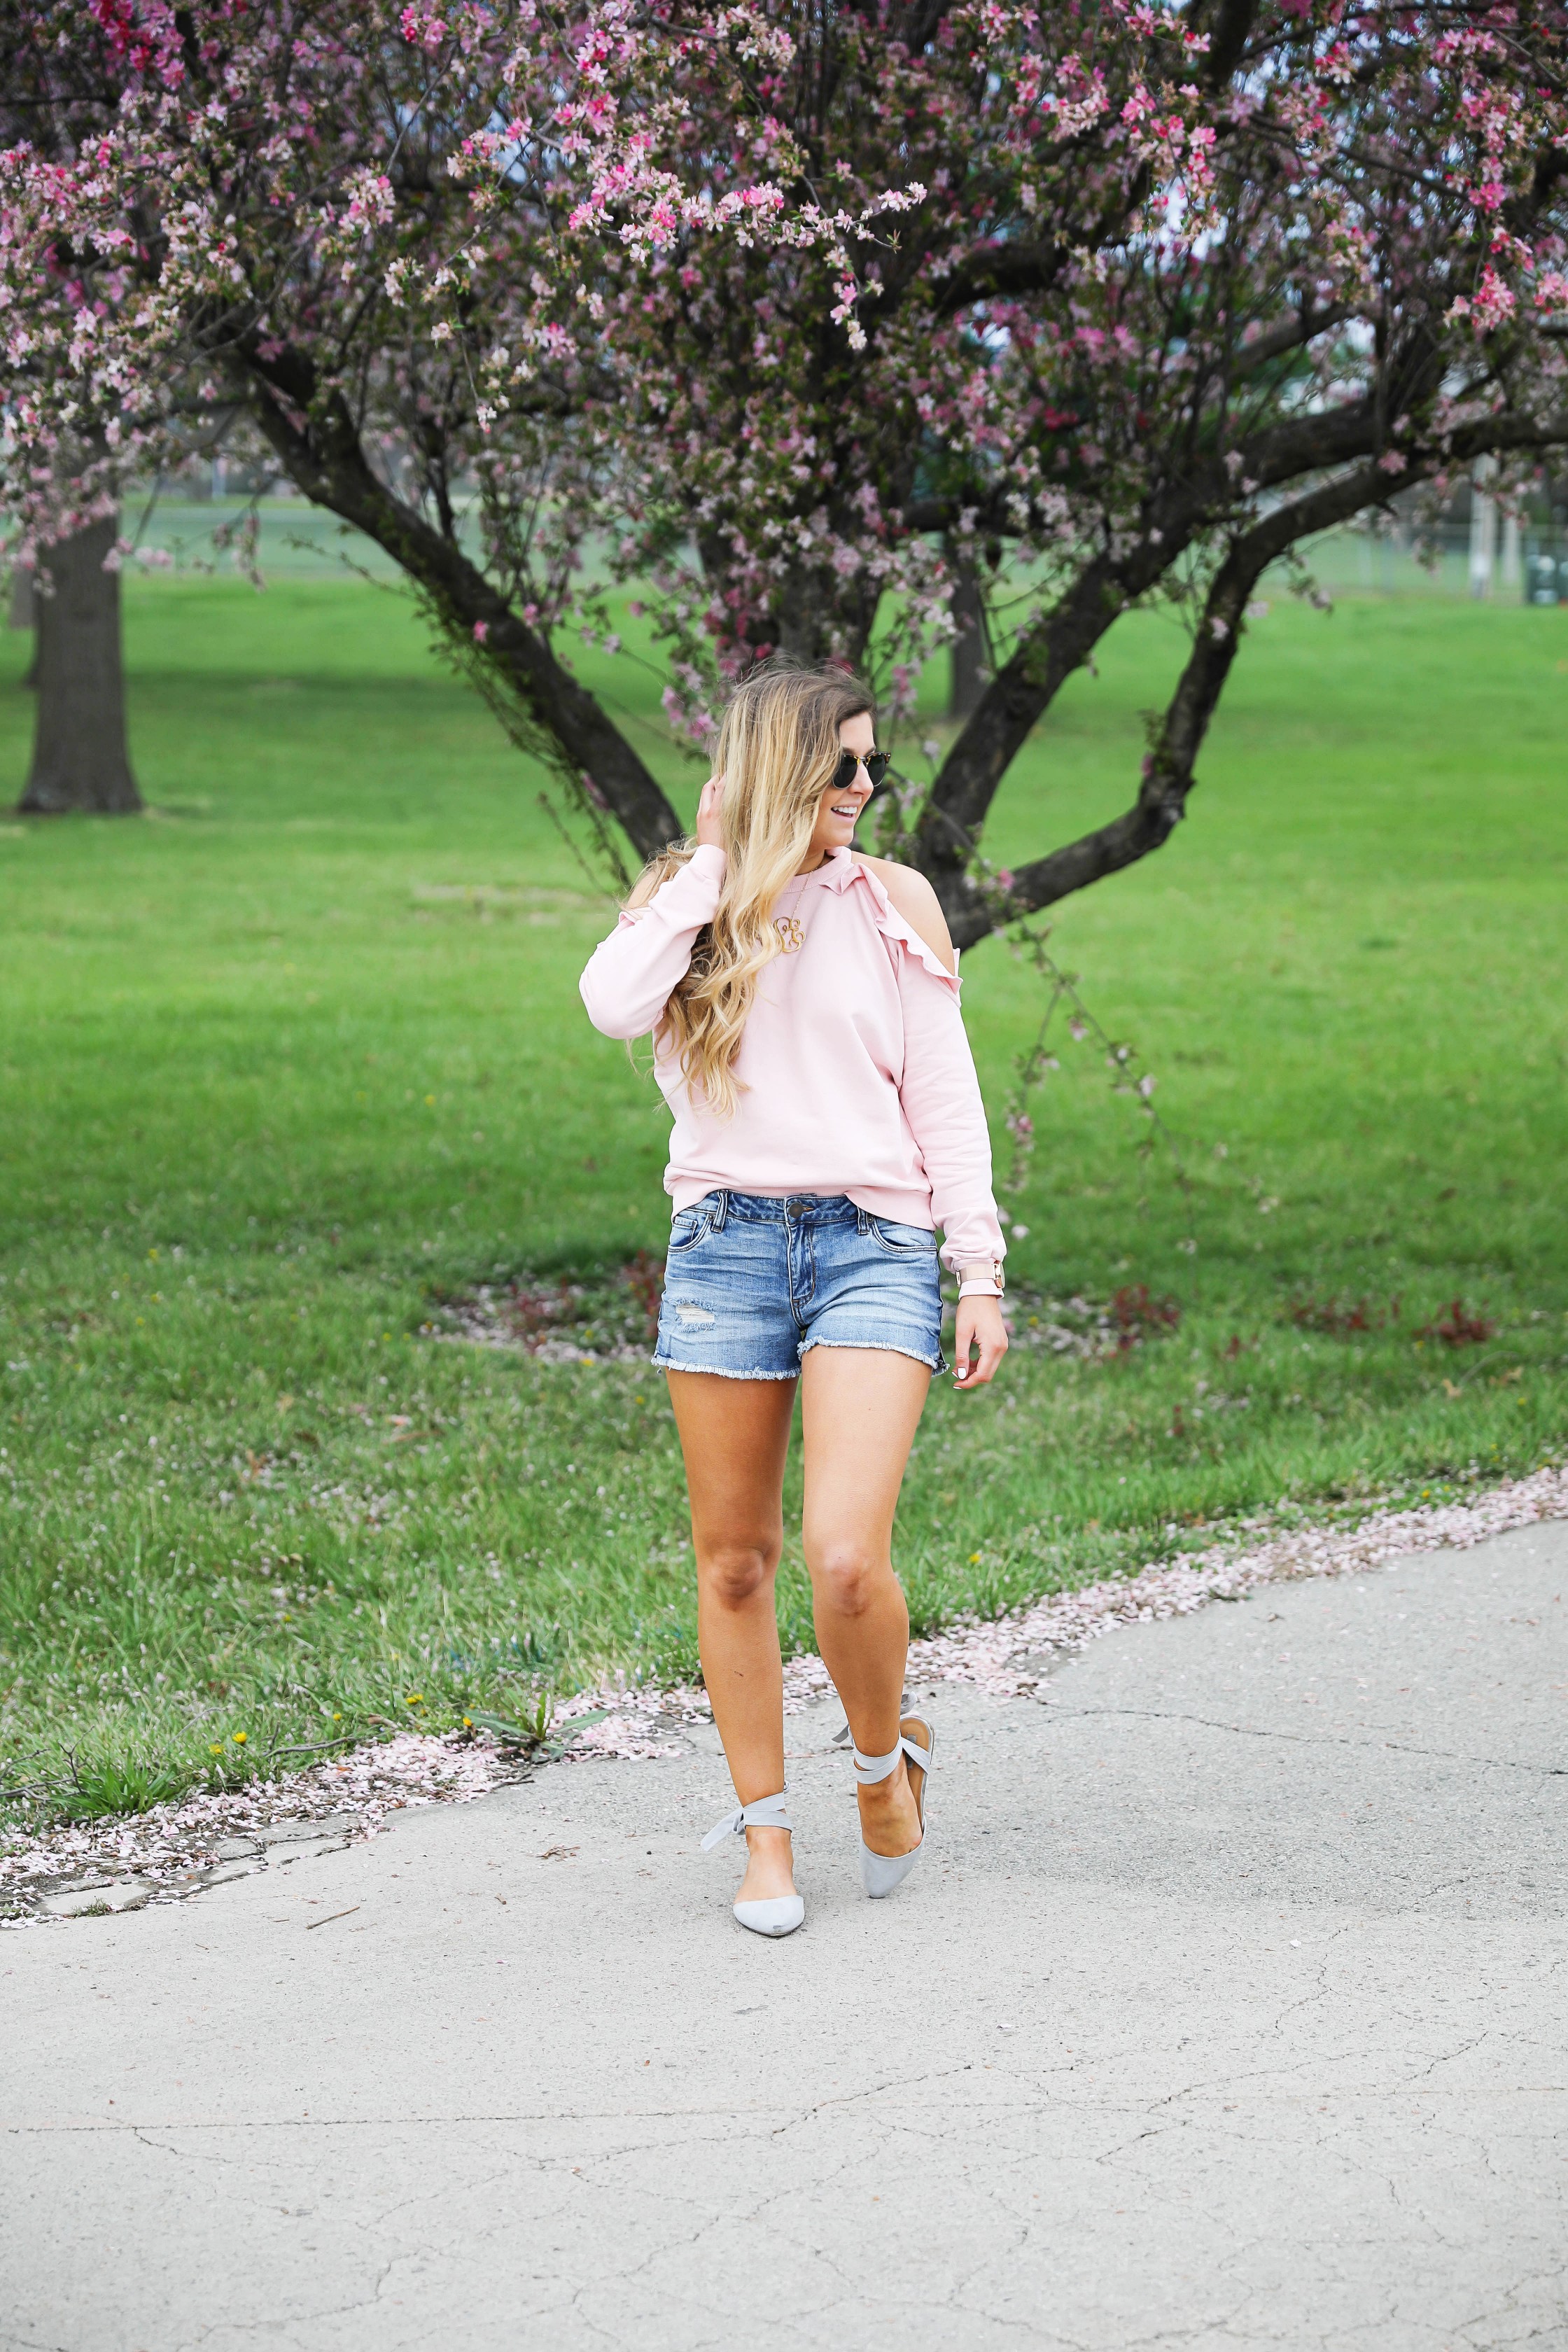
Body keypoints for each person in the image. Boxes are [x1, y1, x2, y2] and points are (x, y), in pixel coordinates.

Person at [579, 659, 1008, 1938]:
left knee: (843, 1556)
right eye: (845, 769)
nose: (869, 789)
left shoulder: (894, 902)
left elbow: (946, 1097)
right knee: (734, 1563)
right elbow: (607, 1006)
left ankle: (885, 1762)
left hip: (875, 1241)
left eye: (876, 766)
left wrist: (974, 1267)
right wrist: (717, 864)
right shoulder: (688, 904)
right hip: (724, 1247)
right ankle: (765, 1836)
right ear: (779, 773)